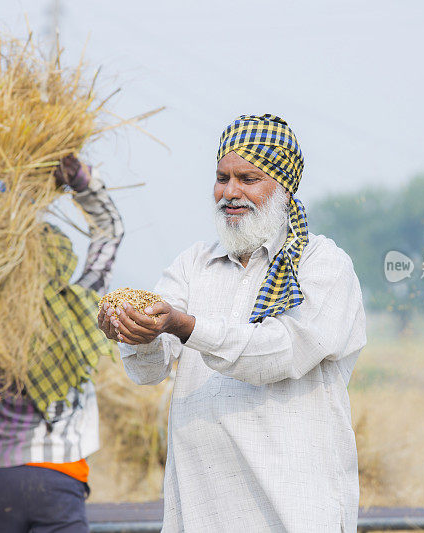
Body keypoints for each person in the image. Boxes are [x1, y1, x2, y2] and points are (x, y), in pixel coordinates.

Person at [99, 114, 367, 532]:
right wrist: (136, 331)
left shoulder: (322, 264)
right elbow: (148, 370)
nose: (231, 192)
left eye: (248, 178)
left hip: (295, 511)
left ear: (284, 185)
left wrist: (186, 327)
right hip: (203, 508)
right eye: (222, 178)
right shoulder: (194, 264)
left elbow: (281, 351)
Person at [0, 154, 124, 533]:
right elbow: (110, 230)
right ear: (63, 259)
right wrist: (82, 182)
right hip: (61, 477)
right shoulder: (84, 307)